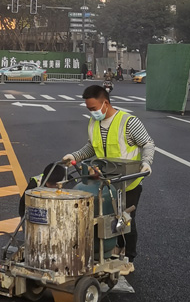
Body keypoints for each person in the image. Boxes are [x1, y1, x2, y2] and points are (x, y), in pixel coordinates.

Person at [62, 85, 154, 271]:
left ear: (105, 103)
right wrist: (75, 156)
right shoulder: (94, 122)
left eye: (94, 108)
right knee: (106, 217)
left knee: (125, 218)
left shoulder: (128, 122)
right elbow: (91, 147)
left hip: (128, 181)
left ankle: (129, 259)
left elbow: (147, 143)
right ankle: (113, 248)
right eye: (88, 109)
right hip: (105, 181)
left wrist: (146, 162)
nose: (92, 112)